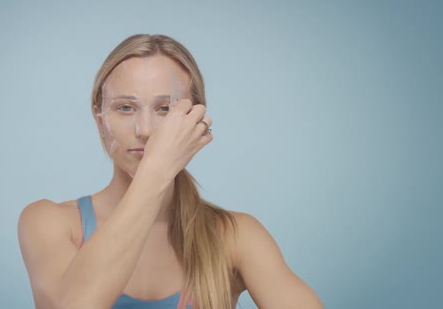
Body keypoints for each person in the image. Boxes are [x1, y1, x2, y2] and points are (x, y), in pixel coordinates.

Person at [17, 34, 323, 309]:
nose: (145, 130)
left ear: (195, 120)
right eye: (125, 108)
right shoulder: (49, 222)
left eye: (165, 109)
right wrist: (156, 172)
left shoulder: (236, 236)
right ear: (99, 119)